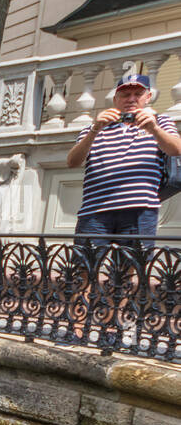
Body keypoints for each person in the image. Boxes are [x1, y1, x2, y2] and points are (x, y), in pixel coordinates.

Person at [64, 73, 181, 339]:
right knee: (84, 269)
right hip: (95, 209)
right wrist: (94, 129)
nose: (131, 99)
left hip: (140, 208)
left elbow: (176, 148)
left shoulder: (160, 120)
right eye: (125, 94)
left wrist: (153, 128)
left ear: (148, 96)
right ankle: (77, 327)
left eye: (137, 94)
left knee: (129, 271)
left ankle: (111, 324)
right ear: (115, 98)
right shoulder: (97, 125)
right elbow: (73, 161)